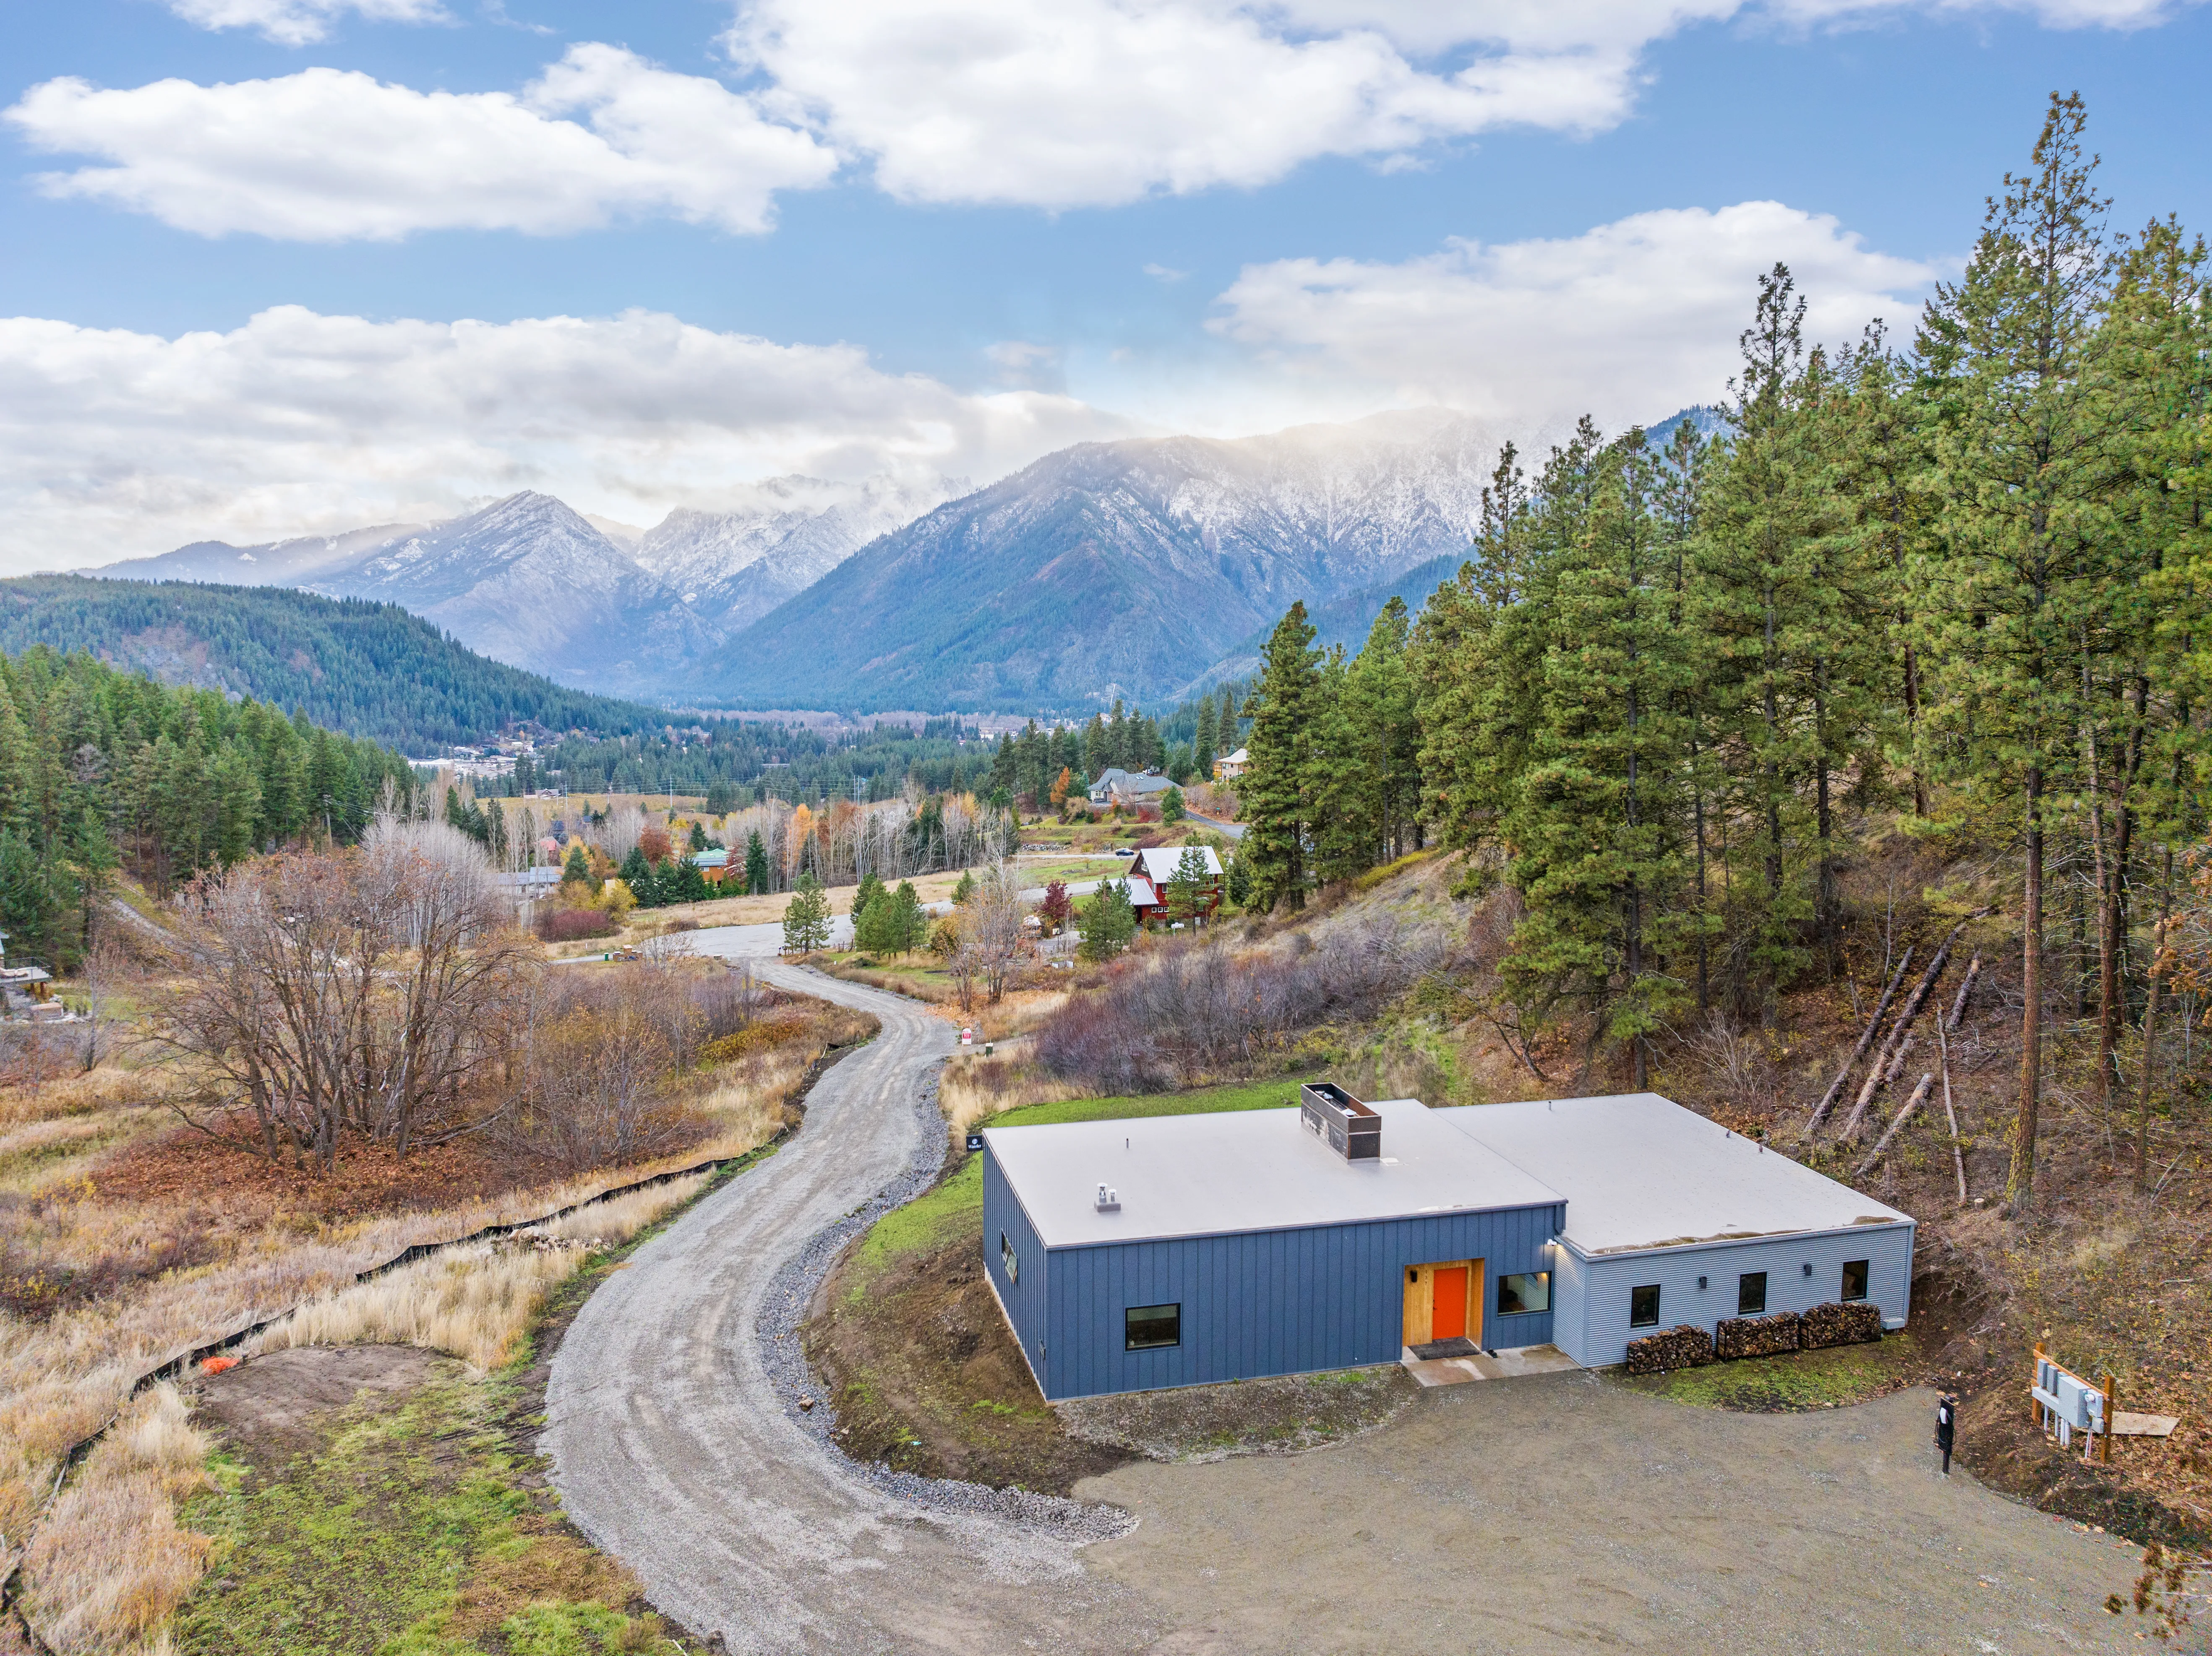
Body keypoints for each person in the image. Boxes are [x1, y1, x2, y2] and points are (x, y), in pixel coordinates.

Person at [1935, 1392, 1958, 1475]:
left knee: (1946, 1445)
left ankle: (1945, 1470)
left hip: (1946, 1434)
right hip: (1945, 1434)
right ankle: (1945, 1471)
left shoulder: (1945, 1411)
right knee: (1946, 1445)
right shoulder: (1945, 1411)